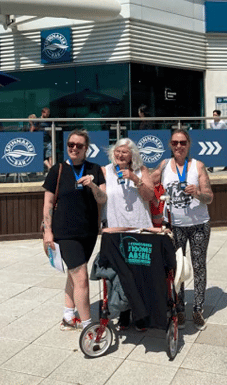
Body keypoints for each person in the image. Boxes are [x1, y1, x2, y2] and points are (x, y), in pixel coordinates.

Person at [42, 129, 107, 331]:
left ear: (86, 149)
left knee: (72, 276)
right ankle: (88, 325)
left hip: (88, 233)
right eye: (71, 145)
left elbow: (103, 199)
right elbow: (48, 202)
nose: (74, 148)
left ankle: (68, 316)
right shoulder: (58, 170)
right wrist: (47, 231)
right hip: (65, 234)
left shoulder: (95, 169)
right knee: (82, 279)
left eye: (79, 146)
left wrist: (93, 185)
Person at [151, 129, 214, 331]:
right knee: (176, 268)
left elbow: (210, 197)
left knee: (198, 266)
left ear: (188, 144)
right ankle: (179, 307)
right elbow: (147, 184)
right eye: (175, 143)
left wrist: (197, 193)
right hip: (174, 226)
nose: (179, 146)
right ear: (170, 145)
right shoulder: (163, 166)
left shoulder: (198, 166)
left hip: (198, 226)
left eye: (183, 142)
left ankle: (197, 309)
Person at [101, 138, 156, 331]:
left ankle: (140, 314)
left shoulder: (142, 170)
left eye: (124, 152)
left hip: (139, 229)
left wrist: (134, 178)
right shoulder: (105, 171)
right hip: (116, 231)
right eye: (117, 151)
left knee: (139, 273)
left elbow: (150, 196)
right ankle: (124, 312)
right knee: (120, 273)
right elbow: (99, 197)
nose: (120, 155)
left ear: (132, 154)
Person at [29, 107, 53, 171]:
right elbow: (32, 129)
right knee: (41, 157)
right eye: (47, 113)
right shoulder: (38, 121)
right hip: (40, 141)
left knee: (50, 156)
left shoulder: (49, 121)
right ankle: (50, 168)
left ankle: (50, 171)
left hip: (48, 141)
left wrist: (53, 139)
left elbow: (50, 131)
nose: (48, 115)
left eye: (48, 114)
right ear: (43, 113)